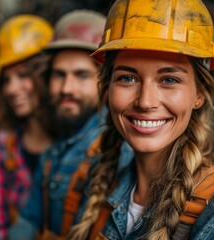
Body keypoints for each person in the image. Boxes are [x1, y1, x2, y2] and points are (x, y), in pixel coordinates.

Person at [68, 0, 214, 239]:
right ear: (108, 88)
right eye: (128, 78)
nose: (145, 101)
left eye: (169, 80)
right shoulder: (102, 186)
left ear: (199, 94)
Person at [11, 9, 133, 239]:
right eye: (59, 75)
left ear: (106, 82)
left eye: (81, 75)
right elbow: (29, 218)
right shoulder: (58, 142)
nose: (67, 88)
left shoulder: (115, 149)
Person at [0, 14, 54, 240]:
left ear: (46, 74)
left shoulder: (74, 142)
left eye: (23, 75)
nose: (11, 89)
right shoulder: (3, 144)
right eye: (6, 79)